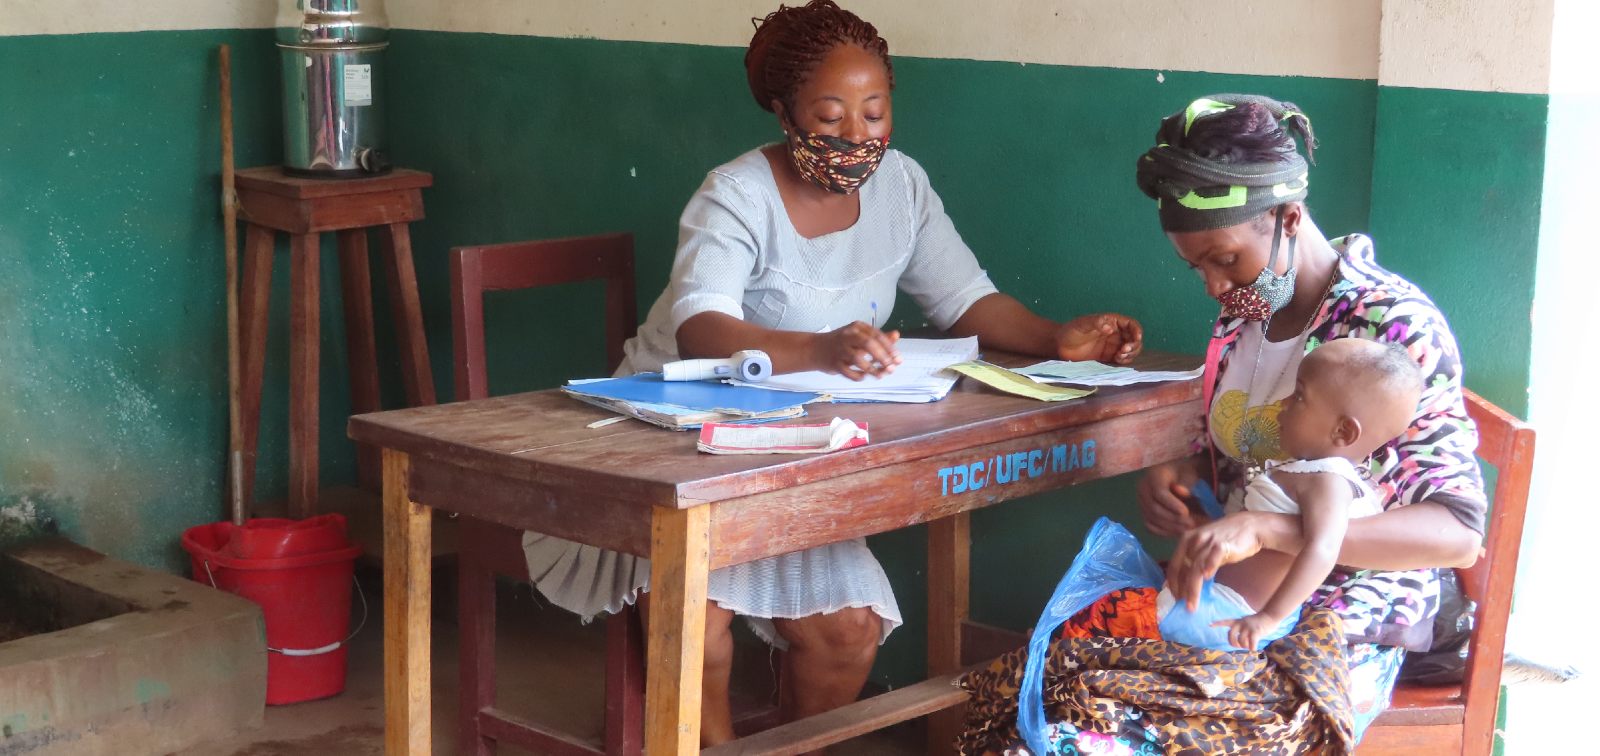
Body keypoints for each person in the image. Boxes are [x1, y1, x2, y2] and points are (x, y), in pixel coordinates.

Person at [522, 1, 1143, 745]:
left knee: (848, 632)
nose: (858, 136)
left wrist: (1055, 337)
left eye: (876, 113)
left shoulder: (901, 188)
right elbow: (702, 324)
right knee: (698, 615)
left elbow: (964, 299)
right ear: (784, 112)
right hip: (670, 440)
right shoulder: (736, 194)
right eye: (831, 115)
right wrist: (819, 348)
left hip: (796, 447)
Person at [1132, 93, 1486, 738]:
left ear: (1290, 217)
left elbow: (1457, 532)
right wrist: (1182, 474)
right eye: (1197, 269)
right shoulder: (1245, 313)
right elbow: (1253, 456)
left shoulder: (1391, 326)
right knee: (1076, 675)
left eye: (1225, 259)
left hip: (1352, 607)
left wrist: (1271, 532)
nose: (1214, 287)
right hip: (1239, 591)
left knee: (1193, 726)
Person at [1159, 338, 1424, 653]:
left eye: (1299, 395)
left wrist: (1267, 618)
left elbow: (1324, 547)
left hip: (1233, 617)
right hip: (1221, 603)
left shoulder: (1328, 480)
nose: (1283, 403)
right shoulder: (1308, 470)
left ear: (1343, 432)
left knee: (1116, 619)